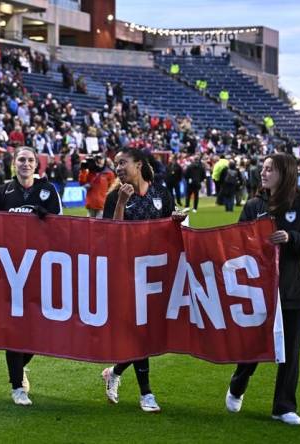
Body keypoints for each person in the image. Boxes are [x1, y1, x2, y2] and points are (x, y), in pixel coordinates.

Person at [225, 153, 300, 426]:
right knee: (255, 344)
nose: (264, 173)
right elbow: (236, 241)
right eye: (263, 168)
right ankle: (238, 384)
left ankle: (283, 406)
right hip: (258, 290)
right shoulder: (255, 204)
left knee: (290, 351)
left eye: (270, 169)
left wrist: (291, 238)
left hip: (294, 289)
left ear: (286, 173)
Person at [0, 146, 62, 406]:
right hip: (10, 271)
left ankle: (21, 368)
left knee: (40, 329)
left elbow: (65, 227)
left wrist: (48, 219)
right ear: (14, 163)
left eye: (30, 160)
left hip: (41, 268)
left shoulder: (48, 191)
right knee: (13, 329)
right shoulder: (2, 192)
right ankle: (17, 386)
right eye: (21, 159)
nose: (25, 163)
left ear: (37, 164)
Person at [101, 148, 183, 413]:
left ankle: (114, 371)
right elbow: (110, 235)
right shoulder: (115, 197)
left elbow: (173, 228)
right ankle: (146, 394)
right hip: (127, 271)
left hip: (156, 271)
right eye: (116, 164)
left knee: (148, 332)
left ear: (139, 164)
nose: (119, 167)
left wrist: (177, 221)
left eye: (123, 162)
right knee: (140, 330)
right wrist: (122, 204)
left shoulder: (161, 193)